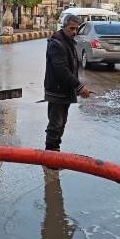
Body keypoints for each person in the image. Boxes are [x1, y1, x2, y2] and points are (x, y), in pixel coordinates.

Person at [44, 14, 90, 157]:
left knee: (62, 123)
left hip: (65, 91)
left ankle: (55, 153)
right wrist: (79, 86)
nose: (74, 32)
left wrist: (75, 86)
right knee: (55, 125)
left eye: (76, 29)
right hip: (56, 91)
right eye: (71, 28)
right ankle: (50, 156)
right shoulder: (56, 44)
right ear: (63, 27)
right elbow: (61, 69)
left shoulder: (69, 42)